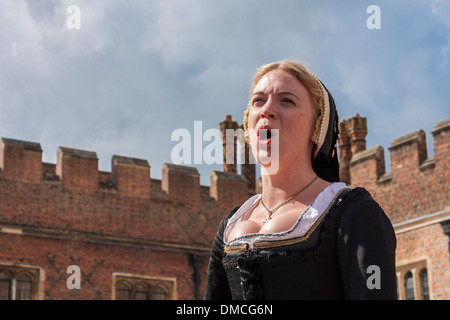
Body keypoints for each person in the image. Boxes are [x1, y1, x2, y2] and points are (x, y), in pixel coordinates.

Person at [204, 60, 397, 300]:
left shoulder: (354, 214)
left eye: (287, 100)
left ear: (317, 127)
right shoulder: (231, 224)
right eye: (258, 100)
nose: (267, 110)